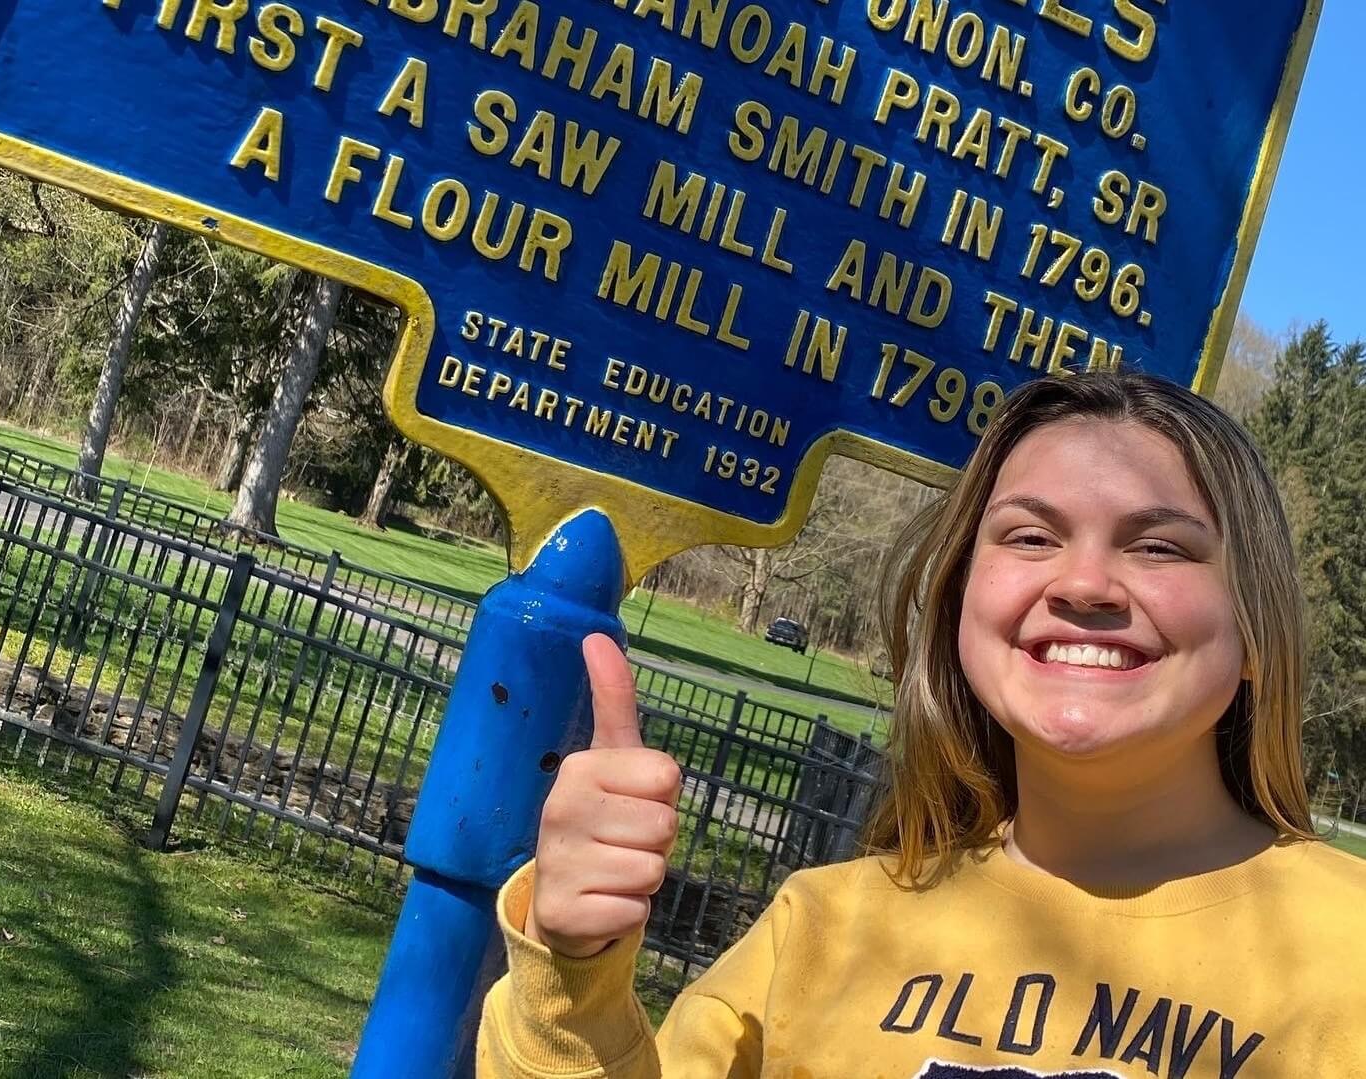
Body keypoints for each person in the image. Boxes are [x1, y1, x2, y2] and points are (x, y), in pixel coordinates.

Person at [476, 372, 1366, 1077]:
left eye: (1158, 545)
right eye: (1029, 536)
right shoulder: (816, 931)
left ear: (1254, 629)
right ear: (958, 601)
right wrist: (574, 973)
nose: (1083, 584)